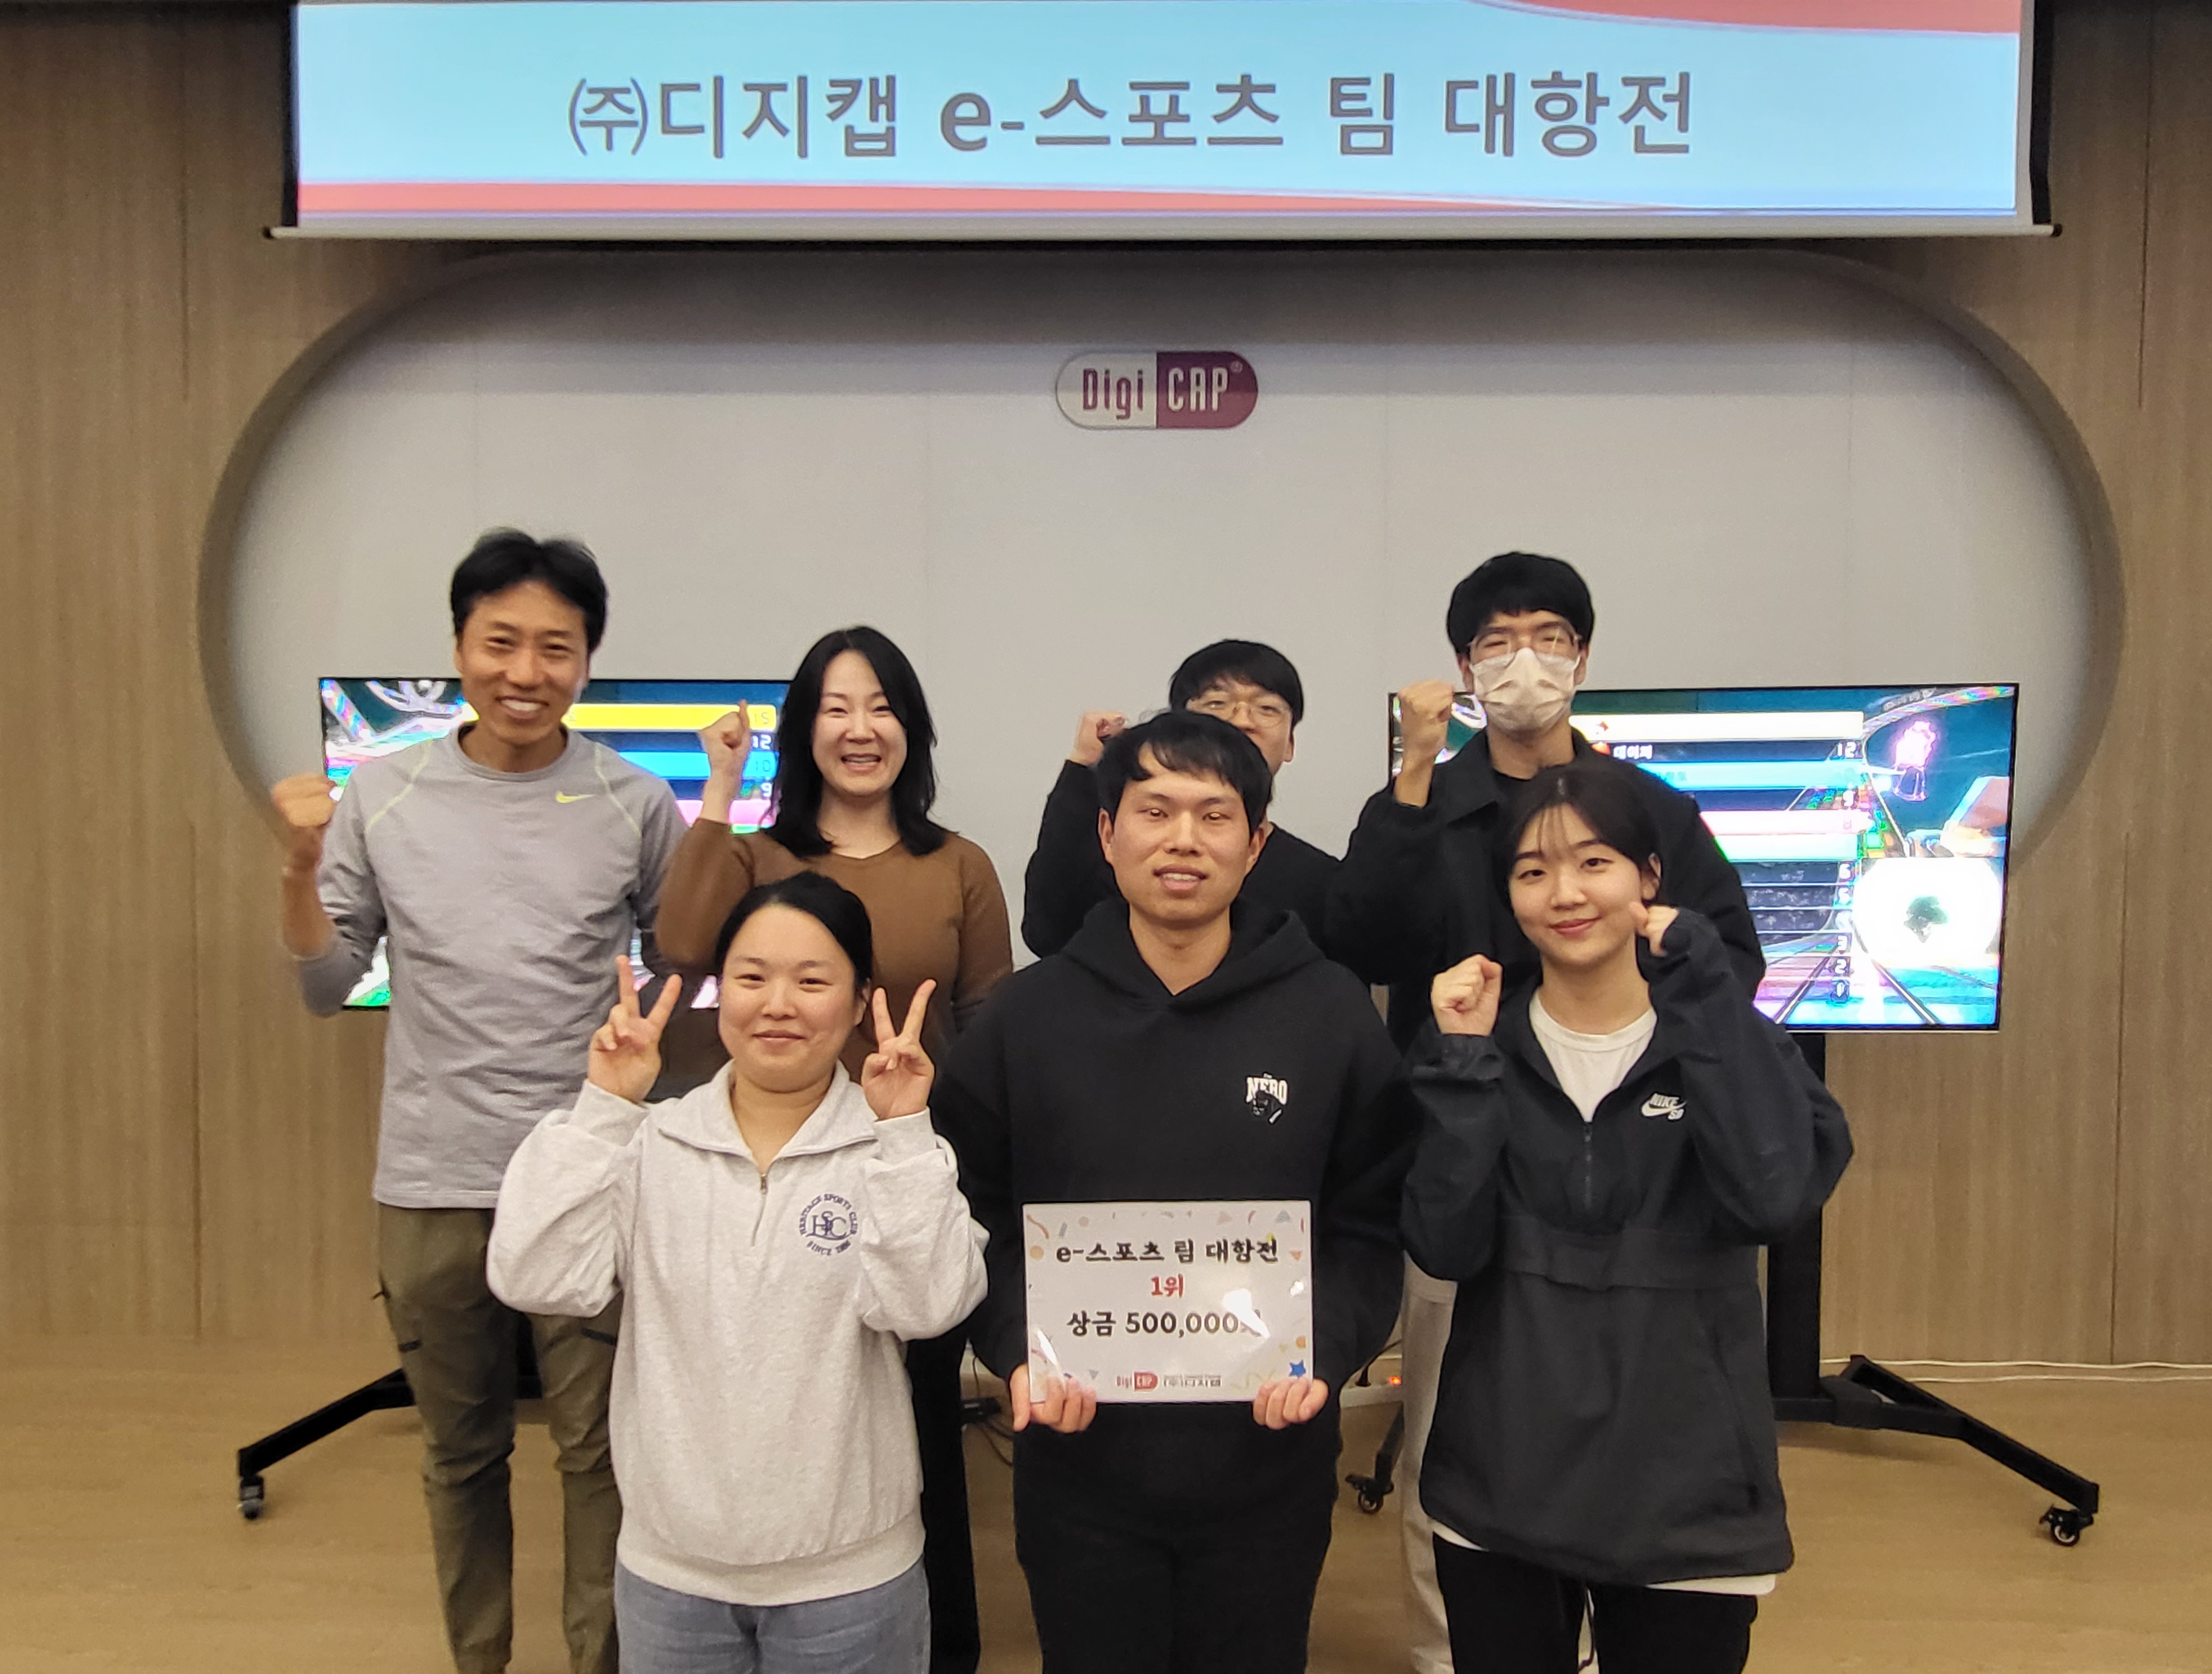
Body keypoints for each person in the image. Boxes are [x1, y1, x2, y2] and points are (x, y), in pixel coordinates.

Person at [1320, 550, 1765, 1674]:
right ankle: (1454, 1652)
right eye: (1499, 641)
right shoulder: (1427, 802)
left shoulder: (1648, 807)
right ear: (1465, 665)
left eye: (1551, 638)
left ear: (1583, 657)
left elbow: (1731, 963)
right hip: (1465, 1161)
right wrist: (1412, 770)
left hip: (1639, 1164)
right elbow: (1359, 941)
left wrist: (1615, 1002)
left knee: (1640, 1419)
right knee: (1451, 1428)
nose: (1527, 661)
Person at [273, 530, 686, 1674]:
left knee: (600, 1456)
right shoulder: (383, 792)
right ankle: (480, 1660)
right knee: (459, 1455)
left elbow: (680, 962)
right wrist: (298, 871)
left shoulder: (635, 800)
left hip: (589, 1176)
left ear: (587, 661)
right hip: (431, 1179)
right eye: (500, 642)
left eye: (556, 647)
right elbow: (322, 985)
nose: (525, 671)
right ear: (458, 646)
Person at [934, 709, 1417, 1674]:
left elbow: (1370, 1218)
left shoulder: (1329, 1013)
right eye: (1154, 811)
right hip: (1079, 1462)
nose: (1183, 839)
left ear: (1257, 844)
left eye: (1215, 815)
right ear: (1107, 833)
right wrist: (1017, 1350)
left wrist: (1324, 1349)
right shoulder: (1027, 1018)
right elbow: (968, 1208)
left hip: (1268, 1459)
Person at [1403, 762, 1851, 1673]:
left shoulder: (1731, 1037)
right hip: (1501, 1479)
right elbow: (1445, 1244)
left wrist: (1708, 1002)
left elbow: (1769, 1200)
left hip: (1686, 1490)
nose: (1564, 893)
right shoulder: (1479, 1042)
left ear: (1650, 876)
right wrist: (1463, 1068)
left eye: (1593, 862)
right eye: (1532, 872)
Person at [489, 872, 990, 1674]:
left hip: (850, 1576)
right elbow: (536, 1276)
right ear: (720, 993)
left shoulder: (892, 1150)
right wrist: (603, 1108)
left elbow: (929, 1307)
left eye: (813, 982)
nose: (778, 1005)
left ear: (860, 1002)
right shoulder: (652, 1142)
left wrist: (903, 1135)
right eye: (751, 978)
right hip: (671, 1573)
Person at [656, 626, 1011, 1674]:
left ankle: (935, 1646)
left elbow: (988, 1026)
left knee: (921, 1421)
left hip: (904, 1174)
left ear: (913, 728)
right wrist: (723, 790)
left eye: (883, 707)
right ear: (803, 731)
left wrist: (950, 1165)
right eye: (836, 709)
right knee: (775, 1409)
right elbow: (682, 945)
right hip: (766, 1181)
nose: (861, 730)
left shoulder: (959, 865)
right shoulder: (760, 857)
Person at [1020, 639, 1337, 955]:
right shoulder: (1130, 854)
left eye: (1267, 708)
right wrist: (1082, 767)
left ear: (1290, 742)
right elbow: (1049, 933)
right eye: (1217, 703)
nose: (1242, 721)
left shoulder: (1321, 880)